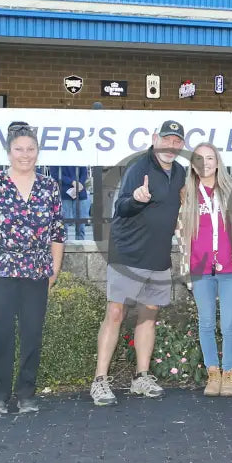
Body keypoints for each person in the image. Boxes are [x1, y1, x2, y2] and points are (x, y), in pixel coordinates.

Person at [0, 121, 65, 415]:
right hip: (0, 270)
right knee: (1, 333)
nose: (25, 154)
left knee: (32, 333)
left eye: (31, 149)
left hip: (36, 271)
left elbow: (58, 233)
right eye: (19, 149)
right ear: (9, 152)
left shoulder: (49, 186)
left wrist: (54, 271)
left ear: (38, 151)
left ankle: (26, 394)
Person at [91, 120, 187, 407]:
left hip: (158, 257)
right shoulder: (138, 168)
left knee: (148, 317)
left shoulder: (180, 172)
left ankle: (141, 377)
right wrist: (135, 198)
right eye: (166, 139)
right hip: (129, 255)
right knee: (116, 313)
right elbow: (120, 207)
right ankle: (99, 381)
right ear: (155, 138)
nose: (171, 146)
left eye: (177, 141)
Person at [176, 143, 232, 397]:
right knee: (206, 322)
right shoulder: (187, 192)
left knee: (228, 323)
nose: (205, 163)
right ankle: (213, 372)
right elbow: (181, 232)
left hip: (231, 266)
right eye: (199, 159)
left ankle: (229, 372)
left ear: (217, 162)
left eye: (210, 158)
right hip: (200, 267)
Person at [48, 164, 92, 241]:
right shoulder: (56, 157)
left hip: (78, 191)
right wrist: (73, 182)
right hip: (65, 192)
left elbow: (84, 172)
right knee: (64, 222)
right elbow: (54, 173)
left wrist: (79, 184)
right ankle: (65, 244)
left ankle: (80, 244)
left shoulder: (77, 156)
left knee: (80, 222)